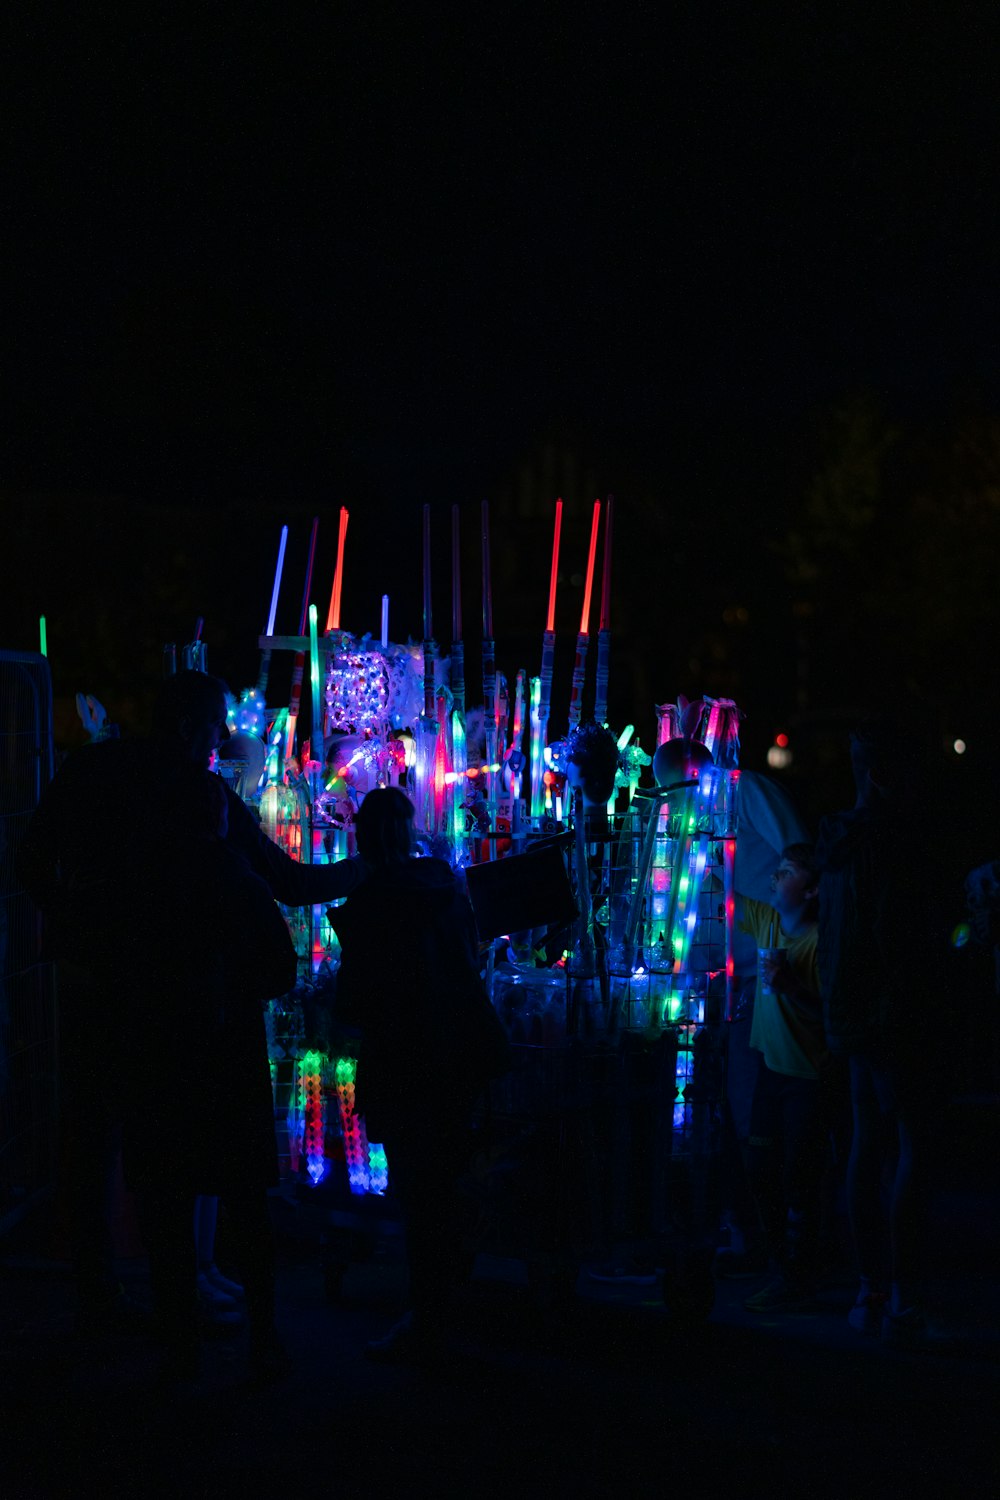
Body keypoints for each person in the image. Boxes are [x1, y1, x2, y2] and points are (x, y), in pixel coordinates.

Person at [17, 669, 362, 1334]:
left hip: (97, 986)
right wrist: (367, 868)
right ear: (188, 729)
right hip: (183, 1012)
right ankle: (218, 1325)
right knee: (191, 1158)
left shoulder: (93, 771)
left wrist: (80, 927)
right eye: (213, 727)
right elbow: (285, 885)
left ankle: (109, 1297)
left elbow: (31, 860)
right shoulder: (201, 799)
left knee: (98, 1142)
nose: (223, 740)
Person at [125, 766, 297, 1382]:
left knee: (168, 1209)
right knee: (247, 1205)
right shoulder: (239, 882)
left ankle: (179, 1345)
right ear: (221, 817)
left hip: (160, 1066)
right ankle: (264, 1337)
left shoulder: (141, 886)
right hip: (229, 1063)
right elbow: (281, 970)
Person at [329, 787, 510, 1361]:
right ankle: (448, 1303)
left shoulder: (370, 904)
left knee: (418, 1193)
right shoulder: (445, 889)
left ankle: (428, 1315)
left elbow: (356, 1002)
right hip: (461, 1050)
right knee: (453, 1179)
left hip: (406, 1060)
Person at [817, 716, 942, 1346]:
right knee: (912, 1143)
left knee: (867, 1142)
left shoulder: (837, 842)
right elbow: (902, 938)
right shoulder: (896, 844)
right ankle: (904, 1293)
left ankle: (872, 1285)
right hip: (896, 1013)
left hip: (848, 1012)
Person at [735, 844, 834, 1312]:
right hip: (769, 1070)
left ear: (812, 890)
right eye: (776, 871)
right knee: (759, 1167)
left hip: (807, 1079)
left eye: (788, 873)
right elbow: (721, 895)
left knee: (800, 1175)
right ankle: (779, 1262)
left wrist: (792, 987)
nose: (775, 878)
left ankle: (801, 1273)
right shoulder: (767, 921)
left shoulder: (819, 943)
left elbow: (832, 1015)